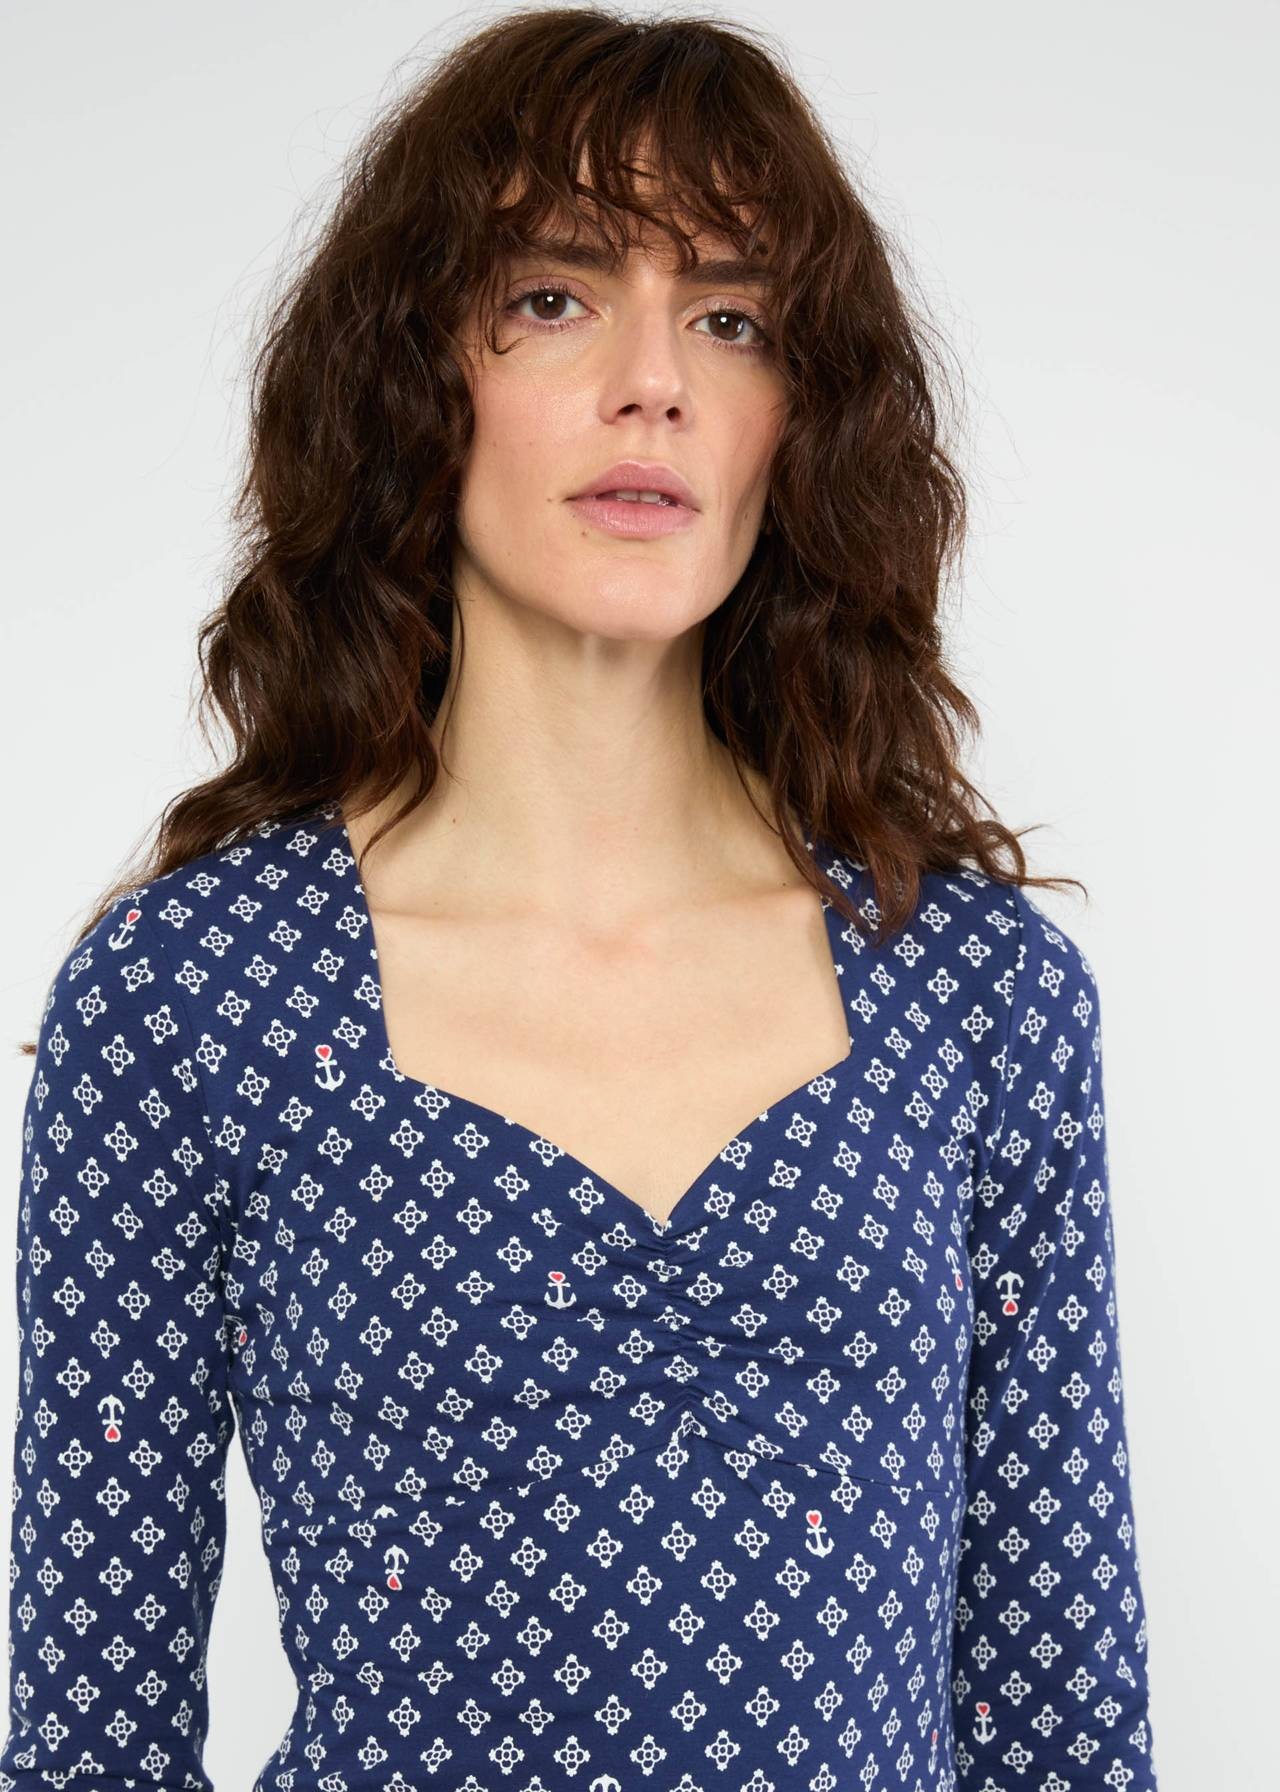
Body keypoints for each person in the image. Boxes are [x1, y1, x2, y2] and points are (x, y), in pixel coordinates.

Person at [0, 9, 1159, 1791]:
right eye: (554, 297)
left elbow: (1064, 1716)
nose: (654, 383)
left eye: (732, 317)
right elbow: (91, 1735)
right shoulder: (192, 999)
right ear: (413, 376)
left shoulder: (973, 988)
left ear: (800, 416)